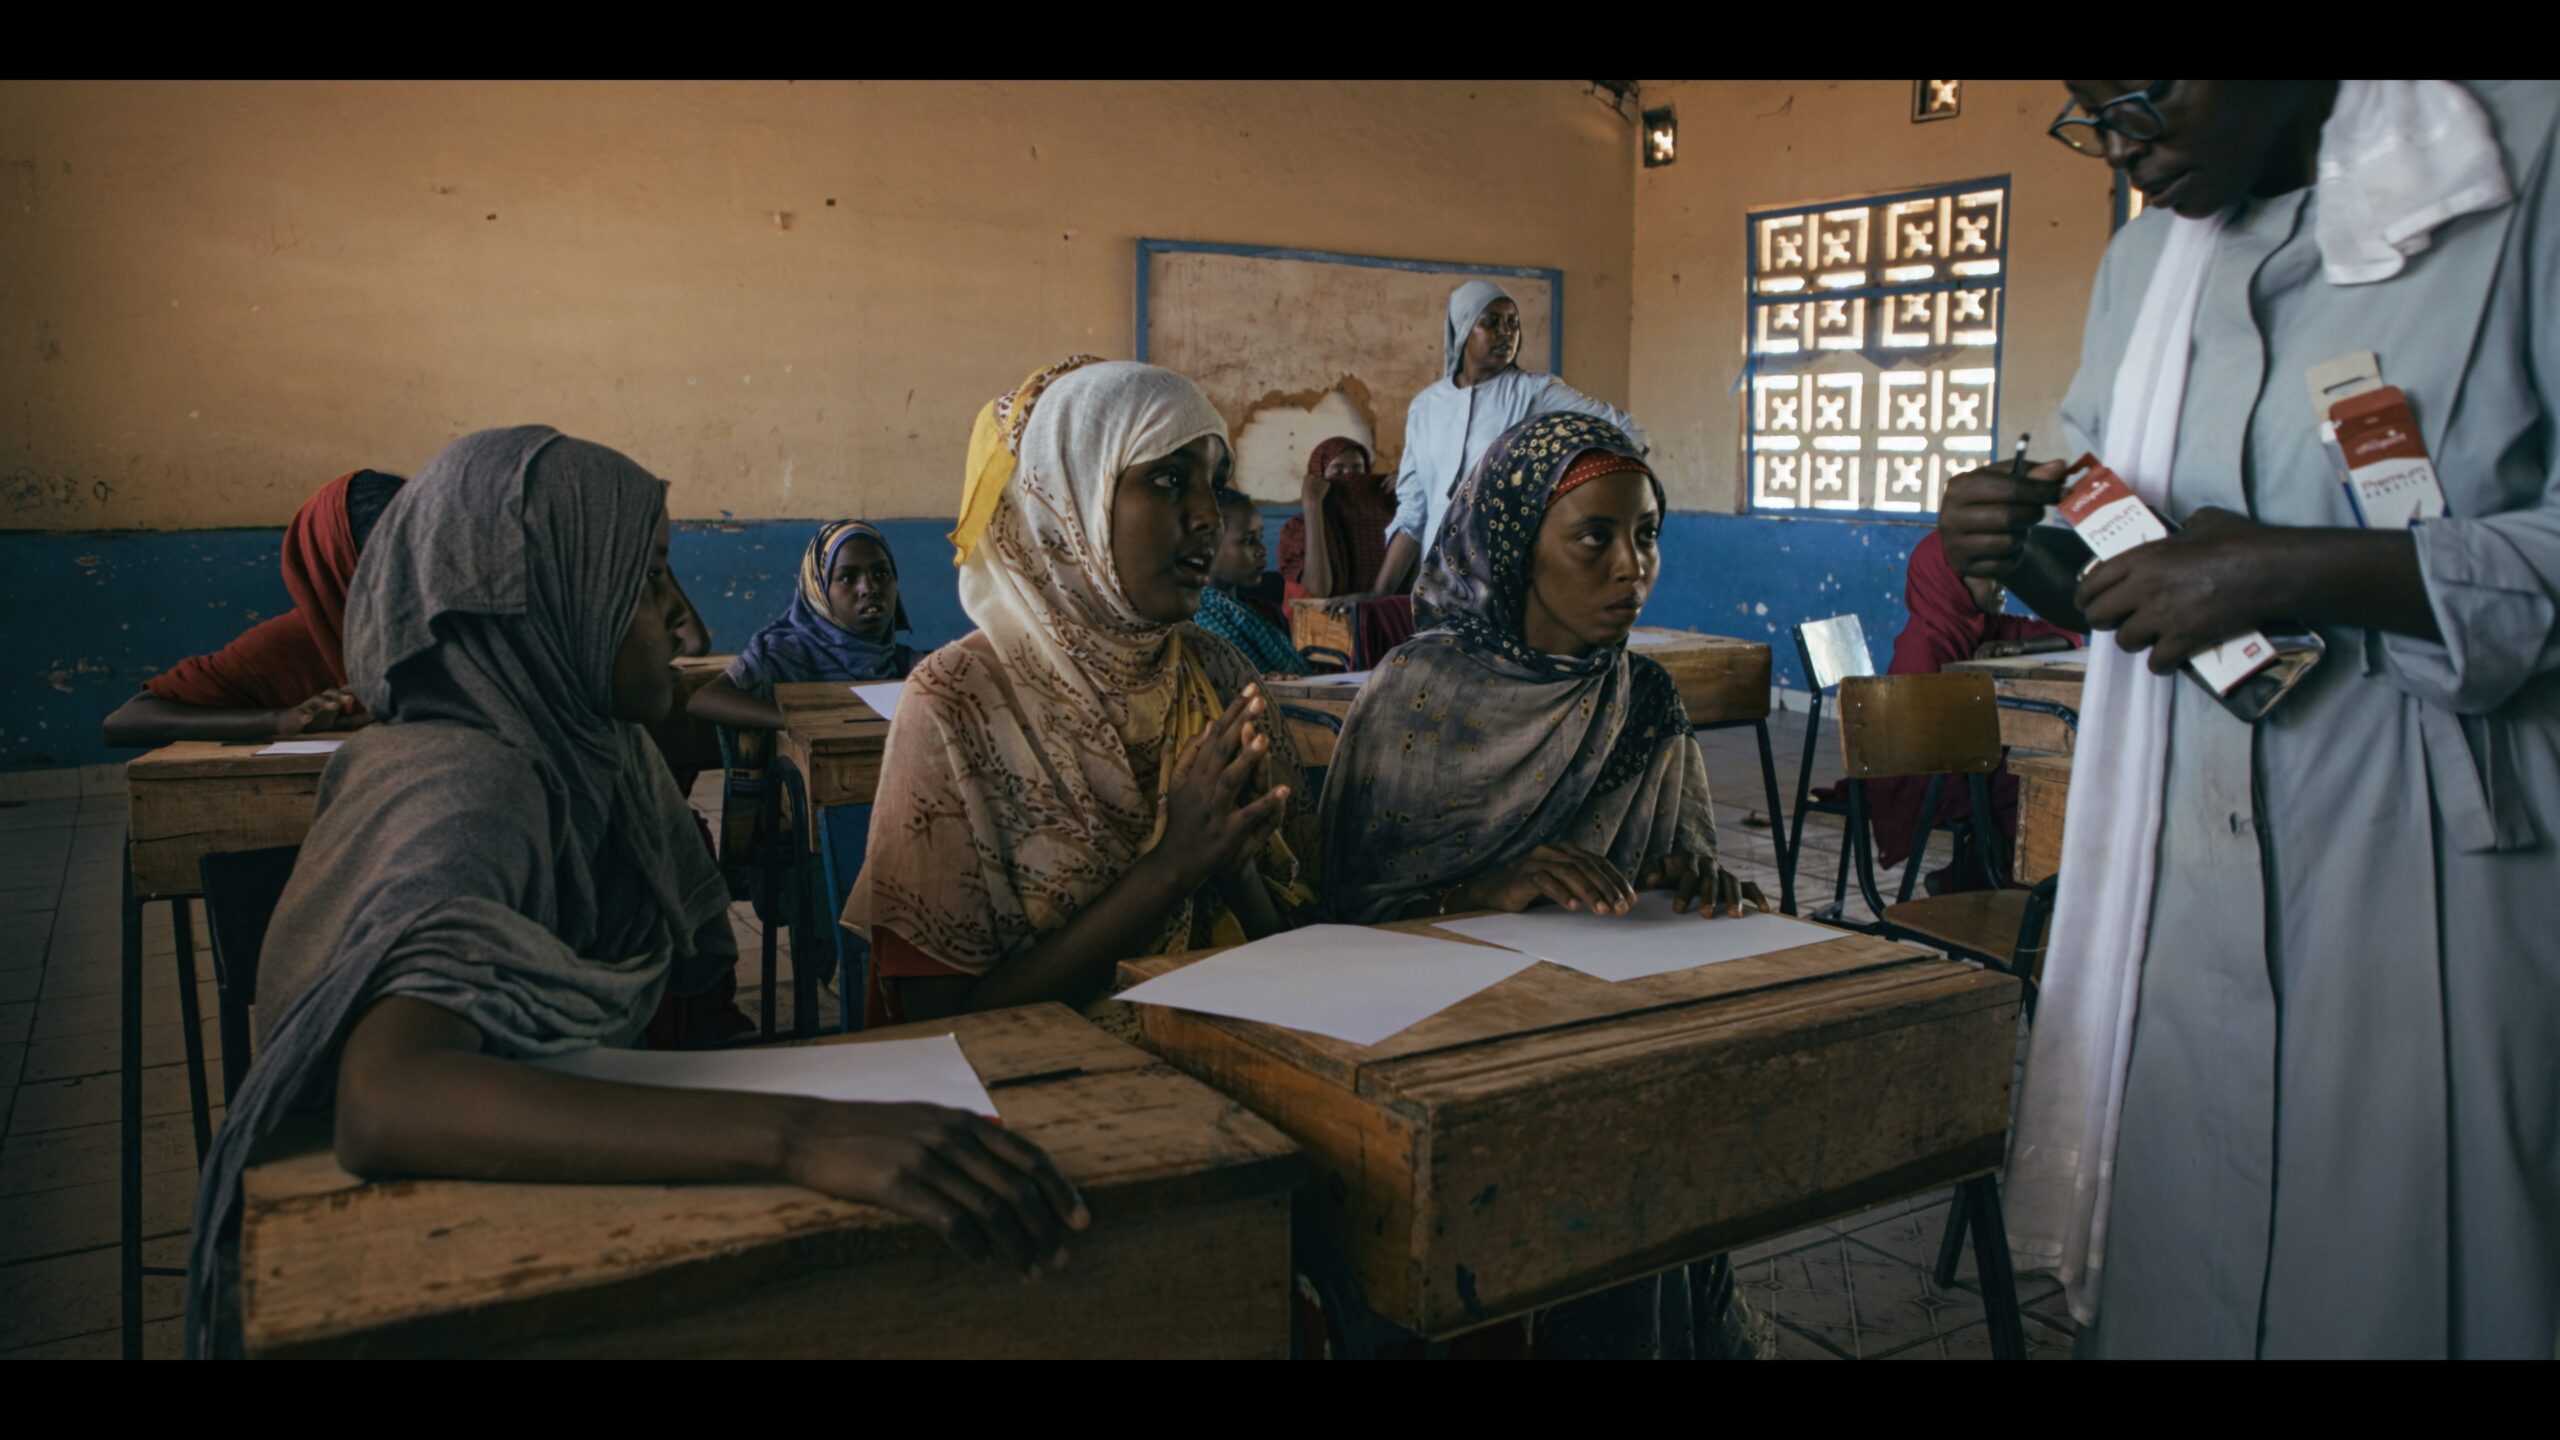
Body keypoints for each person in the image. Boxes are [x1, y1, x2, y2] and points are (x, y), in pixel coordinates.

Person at [183, 426, 1082, 1358]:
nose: (685, 624)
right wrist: (803, 1135)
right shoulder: (464, 780)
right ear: (544, 600)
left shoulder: (577, 750)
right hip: (368, 1279)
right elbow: (388, 1098)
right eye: (648, 577)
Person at [1942, 80, 2560, 1358]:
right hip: (2182, 869)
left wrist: (2290, 568)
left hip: (2434, 872)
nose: (2118, 142)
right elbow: (2120, 548)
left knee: (2417, 1272)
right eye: (2085, 109)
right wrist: (2016, 546)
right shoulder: (2146, 266)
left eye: (2140, 92)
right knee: (2190, 1272)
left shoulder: (2523, 162)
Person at [1318, 411, 1766, 1358]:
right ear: (1518, 542)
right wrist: (1488, 889)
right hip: (1433, 1055)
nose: (1631, 567)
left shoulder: (1642, 697)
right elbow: (1340, 923)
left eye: (1647, 536)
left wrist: (1686, 875)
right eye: (1595, 537)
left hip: (1603, 1037)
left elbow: (1673, 851)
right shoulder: (1419, 695)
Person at [845, 359, 1316, 1029]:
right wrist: (1174, 867)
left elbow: (1297, 958)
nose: (1209, 516)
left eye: (1216, 484)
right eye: (1169, 479)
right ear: (1071, 498)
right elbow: (936, 1024)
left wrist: (1235, 864)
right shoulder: (955, 703)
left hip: (1238, 1054)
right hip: (1048, 1083)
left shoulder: (1217, 672)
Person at [1364, 281, 1649, 599]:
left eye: (1513, 322)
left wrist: (1570, 488)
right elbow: (1414, 514)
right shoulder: (1426, 405)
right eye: (1492, 322)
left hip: (1509, 577)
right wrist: (1378, 592)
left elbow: (1628, 432)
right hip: (1440, 586)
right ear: (1463, 328)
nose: (1506, 332)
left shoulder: (1535, 393)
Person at [102, 469, 404, 746]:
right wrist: (283, 720)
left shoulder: (431, 628)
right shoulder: (300, 641)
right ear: (341, 570)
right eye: (393, 565)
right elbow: (127, 720)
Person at [1858, 532, 2083, 888]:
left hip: (1964, 760)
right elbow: (1921, 751)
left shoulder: (1979, 624)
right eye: (1986, 576)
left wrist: (2018, 647)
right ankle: (1990, 884)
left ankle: (1969, 878)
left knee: (2041, 777)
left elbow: (2069, 633)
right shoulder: (1924, 648)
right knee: (2035, 786)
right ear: (1949, 583)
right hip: (1921, 773)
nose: (2001, 585)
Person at [687, 519, 916, 732]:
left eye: (882, 573)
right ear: (819, 593)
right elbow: (703, 700)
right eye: (847, 578)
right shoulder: (783, 655)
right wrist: (799, 724)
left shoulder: (904, 663)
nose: (869, 588)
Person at [1193, 489, 1310, 677]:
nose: (1262, 550)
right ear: (1209, 546)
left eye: (1260, 538)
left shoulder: (1265, 612)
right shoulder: (1189, 622)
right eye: (1248, 541)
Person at [1280, 437, 1398, 599]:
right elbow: (1318, 590)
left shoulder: (1388, 519)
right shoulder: (1296, 529)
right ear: (1317, 476)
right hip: (1323, 615)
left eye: (1357, 470)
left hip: (1380, 612)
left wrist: (1410, 496)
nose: (1349, 476)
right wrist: (1312, 506)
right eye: (1338, 471)